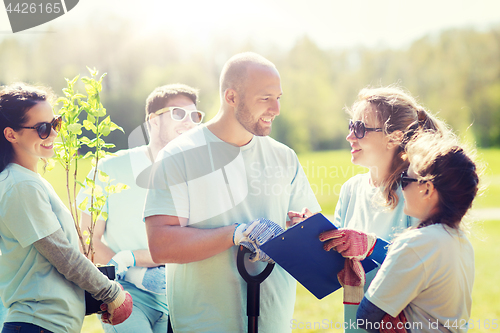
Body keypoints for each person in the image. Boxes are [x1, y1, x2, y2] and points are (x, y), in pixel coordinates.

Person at [144, 52, 321, 332]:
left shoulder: (284, 157)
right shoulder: (179, 155)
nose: (276, 108)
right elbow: (161, 245)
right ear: (231, 97)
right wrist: (235, 234)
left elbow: (312, 231)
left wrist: (302, 230)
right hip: (203, 323)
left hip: (273, 321)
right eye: (265, 98)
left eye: (278, 97)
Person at [289, 86, 448, 332]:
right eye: (351, 126)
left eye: (360, 128)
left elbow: (422, 267)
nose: (350, 136)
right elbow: (339, 269)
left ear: (394, 137)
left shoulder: (416, 193)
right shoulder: (350, 190)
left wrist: (371, 245)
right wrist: (314, 235)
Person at [0, 83, 132, 333]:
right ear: (11, 134)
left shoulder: (29, 181)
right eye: (42, 128)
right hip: (38, 324)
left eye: (55, 123)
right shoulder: (19, 185)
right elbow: (62, 255)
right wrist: (111, 293)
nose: (52, 134)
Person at [76, 84, 203, 333]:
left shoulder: (200, 177)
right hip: (126, 295)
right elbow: (88, 240)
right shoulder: (108, 169)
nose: (189, 122)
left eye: (195, 116)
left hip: (184, 298)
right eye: (178, 113)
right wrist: (131, 274)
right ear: (153, 121)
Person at [356, 132, 478, 333]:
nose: (401, 187)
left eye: (405, 179)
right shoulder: (462, 242)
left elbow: (366, 317)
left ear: (427, 189)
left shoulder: (416, 243)